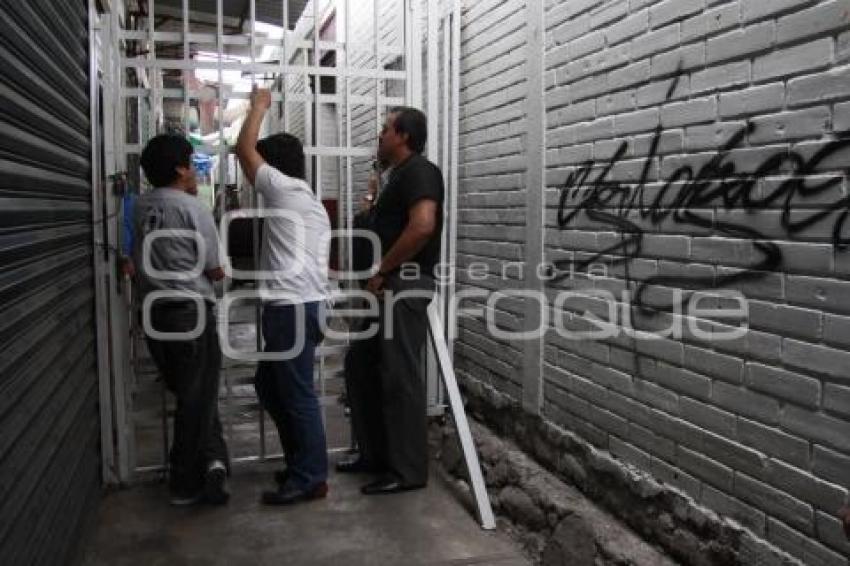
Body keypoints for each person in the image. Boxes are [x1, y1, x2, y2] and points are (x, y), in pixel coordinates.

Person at [236, 87, 332, 505]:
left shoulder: (285, 191)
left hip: (293, 307)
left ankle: (311, 475)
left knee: (295, 394)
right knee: (270, 387)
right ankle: (302, 465)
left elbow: (243, 149)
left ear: (271, 168)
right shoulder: (305, 198)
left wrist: (258, 107)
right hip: (296, 306)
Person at [341, 107, 444, 495]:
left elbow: (422, 226)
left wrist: (383, 270)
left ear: (402, 135)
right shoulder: (394, 177)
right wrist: (372, 200)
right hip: (385, 283)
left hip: (405, 282)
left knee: (399, 375)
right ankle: (375, 456)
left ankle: (408, 471)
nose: (379, 136)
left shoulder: (420, 171)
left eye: (384, 130)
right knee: (360, 365)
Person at [133, 134, 229, 506]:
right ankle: (185, 481)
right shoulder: (193, 209)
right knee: (196, 398)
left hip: (153, 311)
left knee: (193, 396)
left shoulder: (140, 207)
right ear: (179, 169)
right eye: (191, 162)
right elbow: (215, 270)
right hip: (191, 311)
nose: (195, 170)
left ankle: (214, 464)